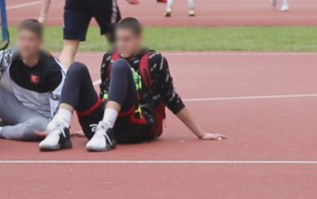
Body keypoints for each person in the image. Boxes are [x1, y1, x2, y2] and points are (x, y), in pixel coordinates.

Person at [38, 17, 225, 152]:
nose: (121, 44)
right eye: (118, 39)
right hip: (100, 128)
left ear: (139, 39)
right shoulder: (109, 57)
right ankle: (62, 128)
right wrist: (90, 123)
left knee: (120, 65)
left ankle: (106, 129)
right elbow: (104, 93)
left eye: (126, 40)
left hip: (136, 127)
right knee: (76, 68)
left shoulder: (154, 60)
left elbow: (171, 98)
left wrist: (200, 133)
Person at [0, 19, 67, 142]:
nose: (25, 44)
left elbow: (59, 111)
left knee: (39, 127)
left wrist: (54, 129)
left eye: (31, 39)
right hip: (13, 107)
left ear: (40, 42)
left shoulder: (54, 71)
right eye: (22, 39)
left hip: (41, 119)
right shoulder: (9, 56)